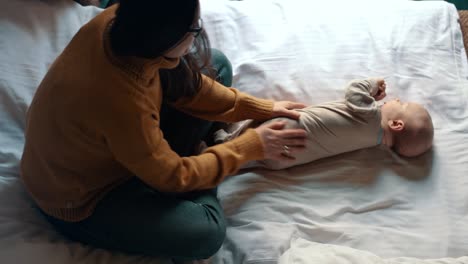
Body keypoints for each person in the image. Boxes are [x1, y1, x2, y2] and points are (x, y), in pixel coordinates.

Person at [19, 0, 308, 261]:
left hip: (114, 140)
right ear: (165, 34)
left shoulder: (116, 20)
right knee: (205, 232)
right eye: (194, 29)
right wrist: (247, 147)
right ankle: (199, 160)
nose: (197, 33)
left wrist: (260, 108)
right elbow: (173, 176)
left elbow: (186, 82)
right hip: (83, 195)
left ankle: (193, 159)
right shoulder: (120, 101)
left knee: (216, 65)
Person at [215, 78, 434, 170]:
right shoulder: (371, 142)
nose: (396, 99)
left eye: (402, 104)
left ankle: (223, 143)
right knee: (254, 157)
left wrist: (372, 84)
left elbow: (354, 92)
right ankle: (236, 159)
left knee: (271, 122)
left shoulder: (372, 116)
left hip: (285, 130)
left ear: (396, 124)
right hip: (284, 160)